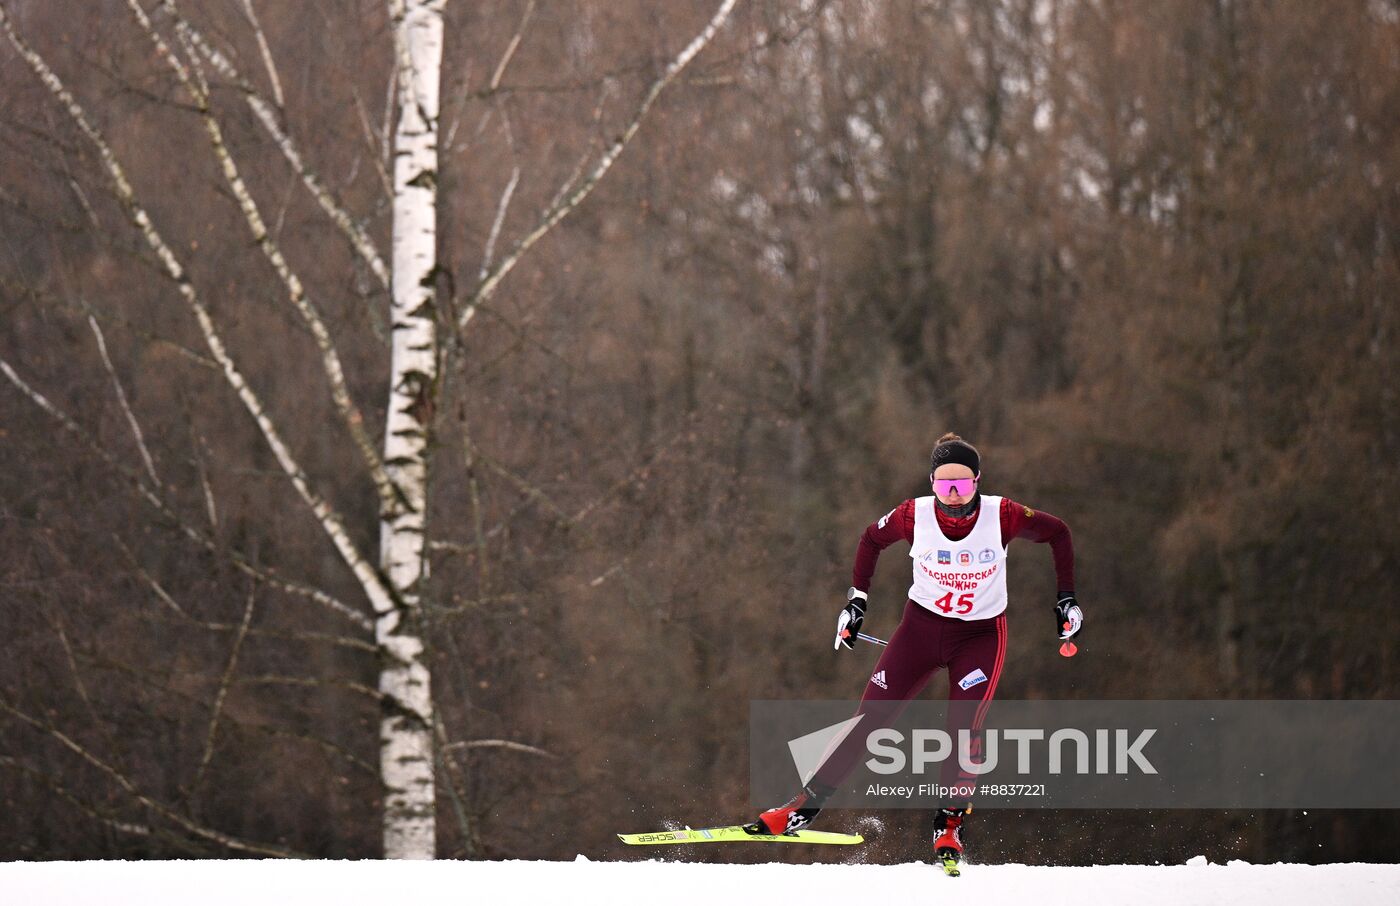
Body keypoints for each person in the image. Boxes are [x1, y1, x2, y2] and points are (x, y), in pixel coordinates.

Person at [750, 433, 1083, 872]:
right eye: (943, 485)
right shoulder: (913, 515)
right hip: (919, 632)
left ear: (978, 482)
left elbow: (1058, 533)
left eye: (962, 486)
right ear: (930, 482)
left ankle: (949, 823)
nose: (952, 496)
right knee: (867, 720)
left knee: (964, 730)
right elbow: (871, 541)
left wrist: (1066, 599)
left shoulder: (1002, 514)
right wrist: (856, 603)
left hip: (980, 638)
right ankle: (802, 808)